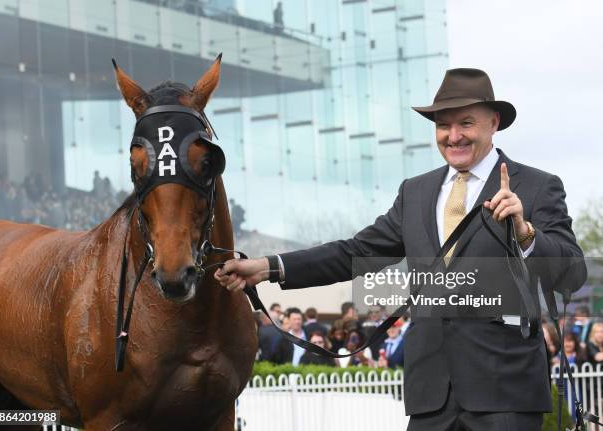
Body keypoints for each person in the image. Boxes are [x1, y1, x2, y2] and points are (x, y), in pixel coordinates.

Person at [216, 68, 587, 430]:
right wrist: (269, 267)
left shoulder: (537, 187)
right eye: (443, 125)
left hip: (505, 393)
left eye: (466, 123)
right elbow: (355, 252)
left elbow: (573, 273)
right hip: (431, 396)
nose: (453, 136)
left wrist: (525, 233)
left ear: (493, 122)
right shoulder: (416, 192)